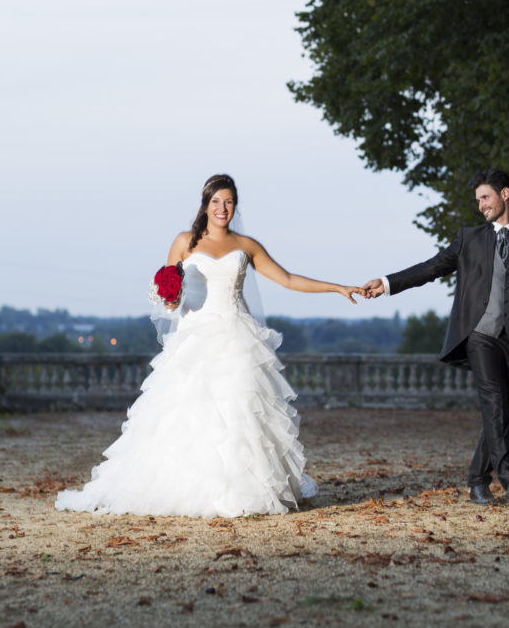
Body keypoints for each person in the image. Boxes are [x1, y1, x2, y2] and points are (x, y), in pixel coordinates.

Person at [56, 174, 364, 518]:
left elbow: (288, 279)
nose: (223, 208)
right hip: (195, 338)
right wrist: (169, 300)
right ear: (205, 205)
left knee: (240, 412)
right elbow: (166, 296)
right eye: (216, 201)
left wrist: (338, 287)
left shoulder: (247, 246)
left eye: (229, 201)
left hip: (237, 338)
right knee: (187, 413)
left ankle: (243, 491)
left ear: (236, 206)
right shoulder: (185, 242)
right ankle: (185, 488)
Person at [363, 169, 509, 506]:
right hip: (480, 334)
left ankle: (476, 480)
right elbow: (430, 268)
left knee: (499, 412)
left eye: (484, 198)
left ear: (505, 194)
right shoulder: (469, 238)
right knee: (493, 401)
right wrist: (387, 283)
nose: (480, 206)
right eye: (477, 201)